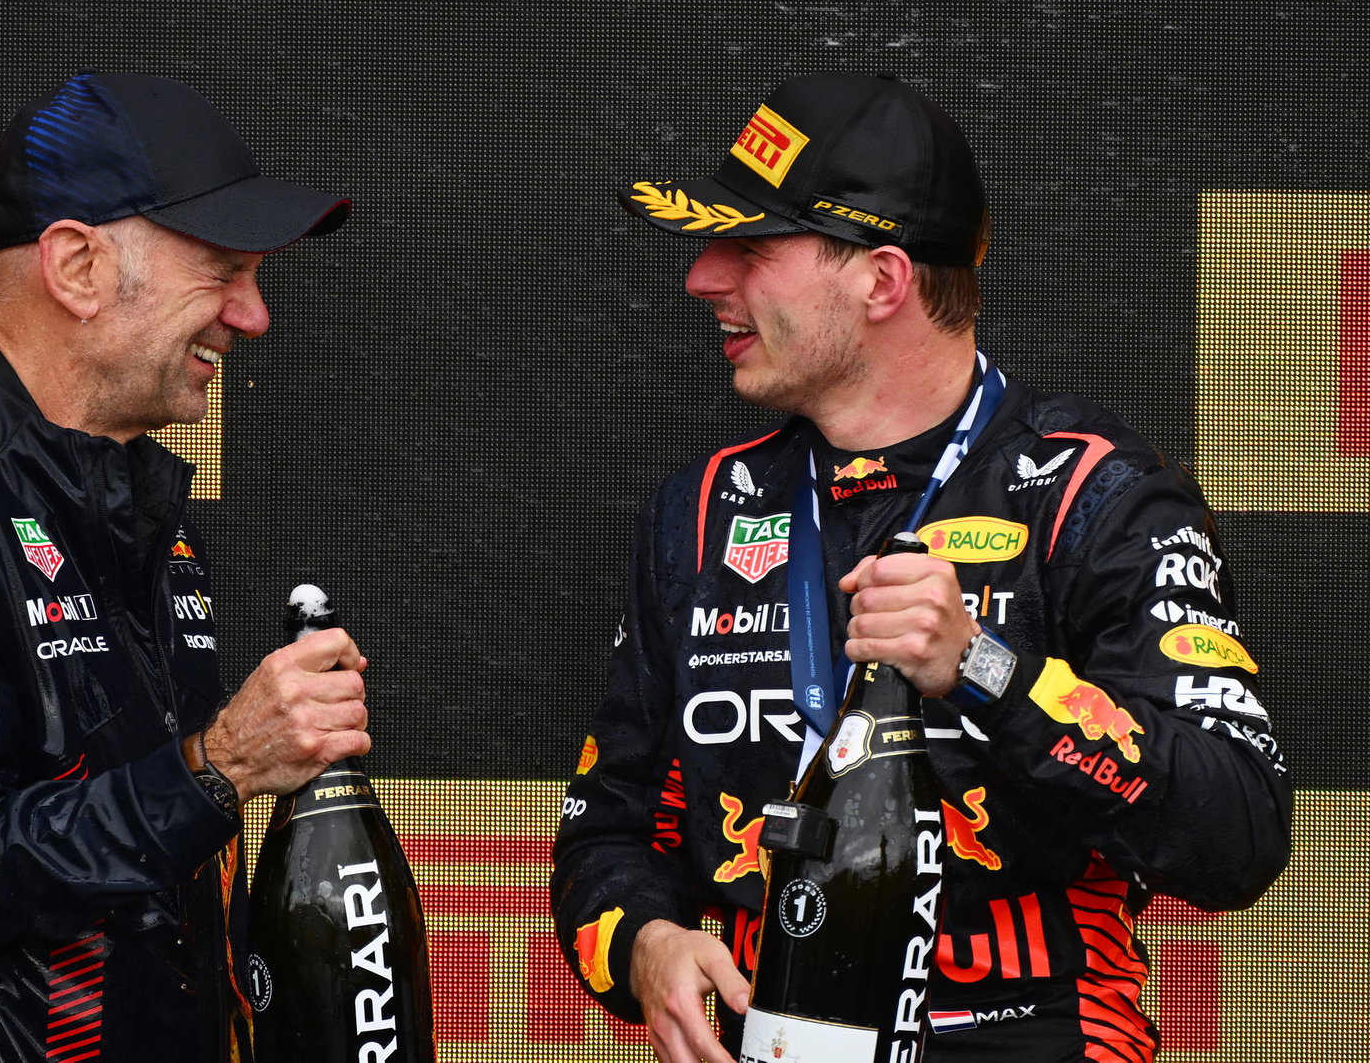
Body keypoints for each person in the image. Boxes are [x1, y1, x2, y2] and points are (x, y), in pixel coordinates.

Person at [551, 71, 1290, 1062]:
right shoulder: (699, 514)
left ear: (883, 282)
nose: (703, 279)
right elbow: (606, 828)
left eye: (750, 248)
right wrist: (643, 945)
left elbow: (1237, 833)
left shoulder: (1091, 493)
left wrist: (988, 671)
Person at [0, 72, 369, 1062]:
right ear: (79, 266)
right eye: (224, 271)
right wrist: (216, 769)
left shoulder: (144, 513)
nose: (253, 316)